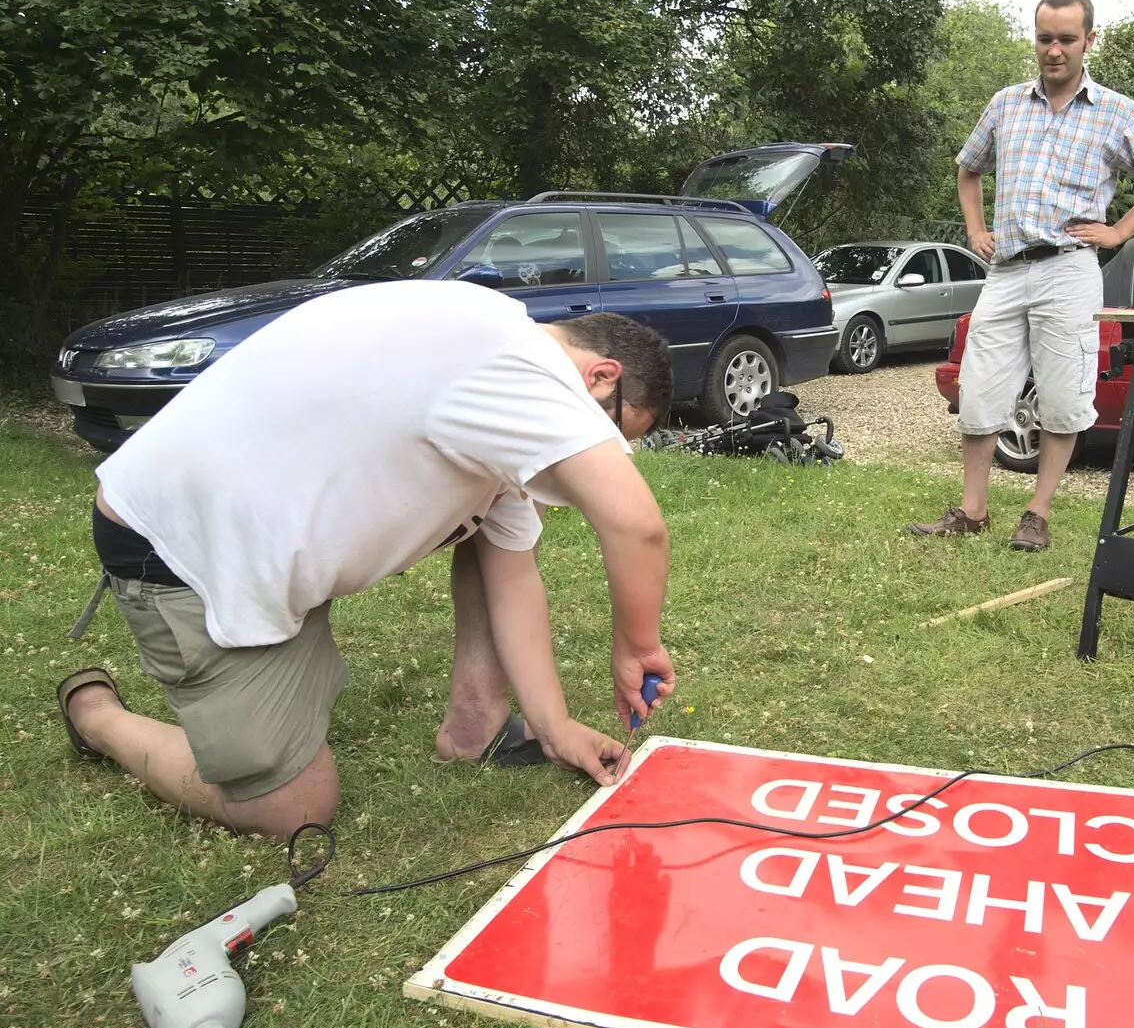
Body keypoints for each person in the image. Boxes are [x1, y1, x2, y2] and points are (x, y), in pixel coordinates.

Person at [55, 279, 678, 839]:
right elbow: (636, 525)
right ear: (601, 375)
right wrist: (637, 646)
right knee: (292, 808)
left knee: (510, 528)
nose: (602, 453)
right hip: (187, 554)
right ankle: (98, 718)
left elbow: (511, 573)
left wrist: (556, 725)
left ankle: (473, 727)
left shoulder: (491, 362)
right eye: (614, 433)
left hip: (270, 554)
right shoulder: (511, 360)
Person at [909, 0, 1134, 551]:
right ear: (1034, 39)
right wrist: (975, 229)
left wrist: (1119, 231)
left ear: (1089, 40)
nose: (1053, 49)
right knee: (978, 389)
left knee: (1062, 397)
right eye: (1044, 38)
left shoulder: (1118, 112)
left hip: (1069, 269)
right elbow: (968, 170)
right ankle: (972, 509)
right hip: (1007, 271)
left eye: (1065, 38)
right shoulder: (1006, 103)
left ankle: (1037, 512)